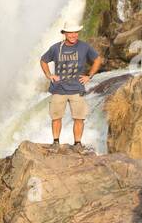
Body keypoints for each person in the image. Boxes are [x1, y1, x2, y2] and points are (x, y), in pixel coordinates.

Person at [40, 24, 102, 153]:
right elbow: (43, 60)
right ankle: (56, 142)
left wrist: (89, 76)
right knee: (56, 117)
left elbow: (97, 59)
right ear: (64, 33)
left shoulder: (84, 47)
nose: (73, 35)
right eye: (70, 33)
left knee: (79, 118)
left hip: (77, 88)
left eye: (76, 32)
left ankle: (77, 144)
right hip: (58, 88)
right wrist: (49, 75)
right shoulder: (56, 48)